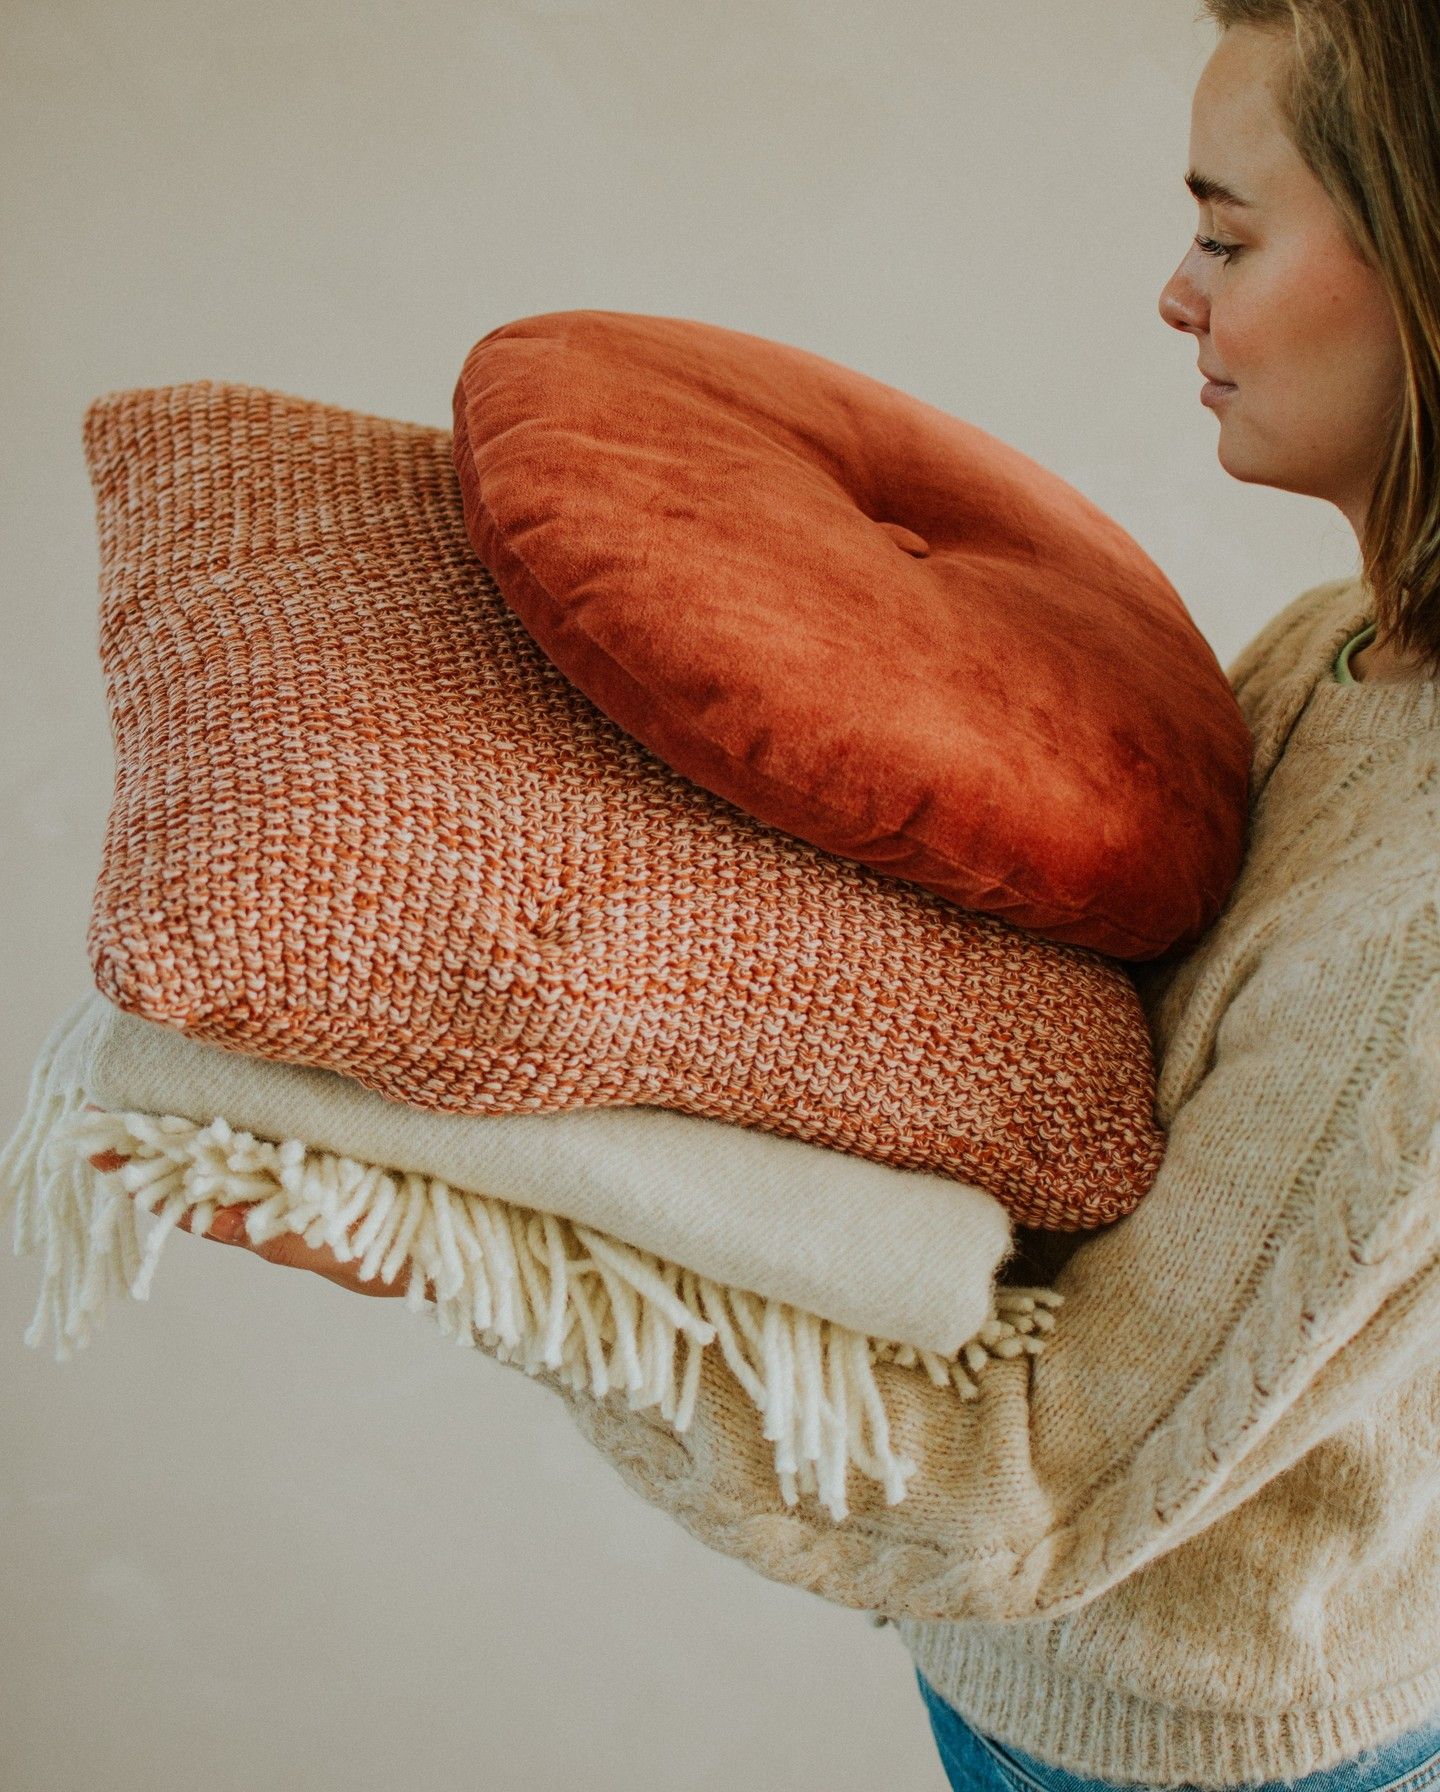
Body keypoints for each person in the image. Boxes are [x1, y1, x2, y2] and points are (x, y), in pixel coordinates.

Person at [130, 3, 1440, 1787]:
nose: (1174, 293)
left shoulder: (1418, 932)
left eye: (1225, 234)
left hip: (1207, 1755)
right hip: (1051, 1697)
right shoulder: (1332, 656)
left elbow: (1026, 1485)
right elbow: (1095, 1111)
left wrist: (486, 1246)